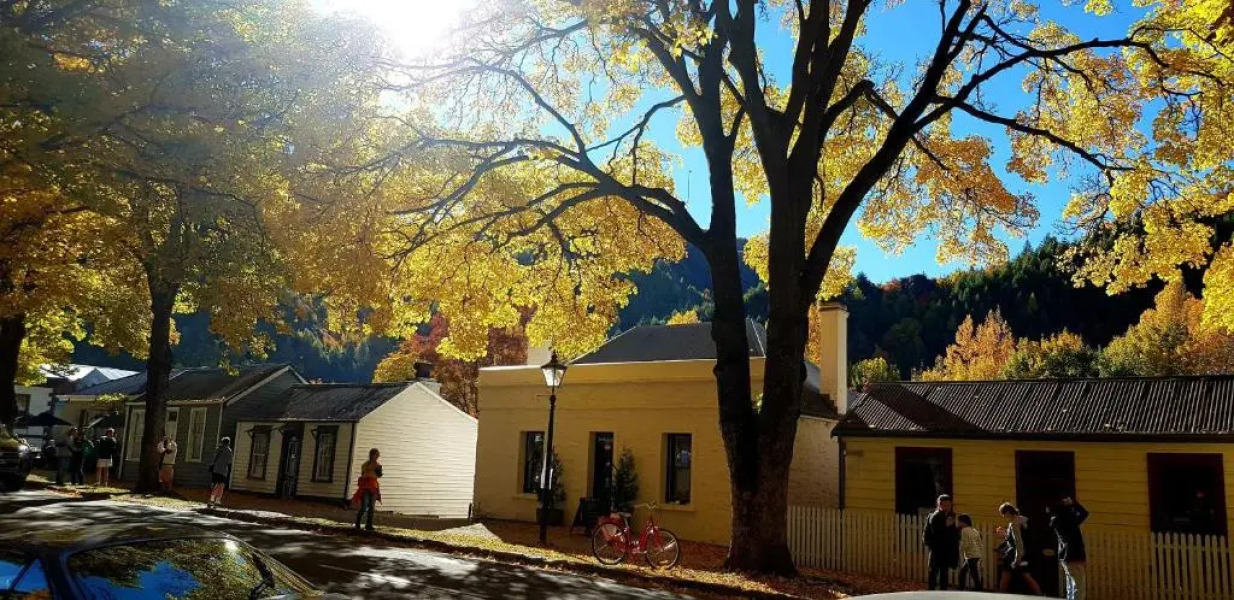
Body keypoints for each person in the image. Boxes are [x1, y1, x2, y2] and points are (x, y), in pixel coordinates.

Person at [1049, 496, 1089, 600]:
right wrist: (1073, 504)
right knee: (1079, 586)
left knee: (1070, 584)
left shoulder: (1056, 519)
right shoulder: (1069, 520)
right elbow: (1084, 513)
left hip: (1064, 555)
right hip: (1073, 554)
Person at [998, 502, 1042, 595]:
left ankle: (1000, 595)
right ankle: (1040, 595)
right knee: (1026, 575)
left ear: (1008, 512)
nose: (1003, 516)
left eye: (1003, 513)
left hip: (1015, 554)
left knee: (1006, 575)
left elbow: (1018, 542)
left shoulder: (1014, 523)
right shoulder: (1024, 519)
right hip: (1027, 553)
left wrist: (1018, 558)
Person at [923, 494, 960, 590]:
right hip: (936, 549)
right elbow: (935, 532)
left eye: (949, 505)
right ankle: (931, 593)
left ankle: (943, 594)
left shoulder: (951, 515)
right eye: (945, 505)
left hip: (946, 549)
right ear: (940, 505)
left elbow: (953, 533)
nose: (947, 507)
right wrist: (945, 526)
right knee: (933, 572)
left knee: (944, 573)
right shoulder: (934, 516)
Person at [351, 448, 382, 531]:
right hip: (366, 487)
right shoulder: (365, 465)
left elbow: (379, 475)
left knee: (372, 507)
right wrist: (369, 472)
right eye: (373, 455)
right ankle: (357, 523)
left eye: (376, 455)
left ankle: (369, 525)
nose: (375, 457)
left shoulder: (378, 465)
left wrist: (377, 470)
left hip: (374, 487)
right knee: (364, 506)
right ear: (371, 455)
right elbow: (363, 474)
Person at [957, 513, 984, 591]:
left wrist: (960, 550)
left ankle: (975, 589)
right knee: (968, 571)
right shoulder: (974, 530)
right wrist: (980, 553)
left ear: (963, 522)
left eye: (959, 521)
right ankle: (977, 588)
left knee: (970, 573)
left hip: (971, 555)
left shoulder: (964, 530)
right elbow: (979, 542)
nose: (958, 523)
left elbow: (965, 542)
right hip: (976, 555)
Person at [207, 437, 233, 507]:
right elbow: (229, 461)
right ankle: (218, 500)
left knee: (215, 484)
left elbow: (214, 458)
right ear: (228, 443)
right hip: (223, 470)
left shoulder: (218, 449)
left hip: (216, 469)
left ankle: (212, 499)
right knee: (221, 485)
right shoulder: (229, 451)